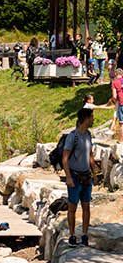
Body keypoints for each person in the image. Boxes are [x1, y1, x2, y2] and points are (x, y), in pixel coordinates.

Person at [54, 103, 98, 246]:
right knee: (72, 207)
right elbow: (65, 158)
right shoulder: (73, 137)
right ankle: (72, 235)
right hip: (74, 176)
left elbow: (90, 154)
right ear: (85, 118)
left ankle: (84, 235)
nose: (93, 120)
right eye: (91, 117)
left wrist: (94, 171)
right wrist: (68, 177)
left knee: (86, 206)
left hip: (86, 176)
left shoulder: (88, 135)